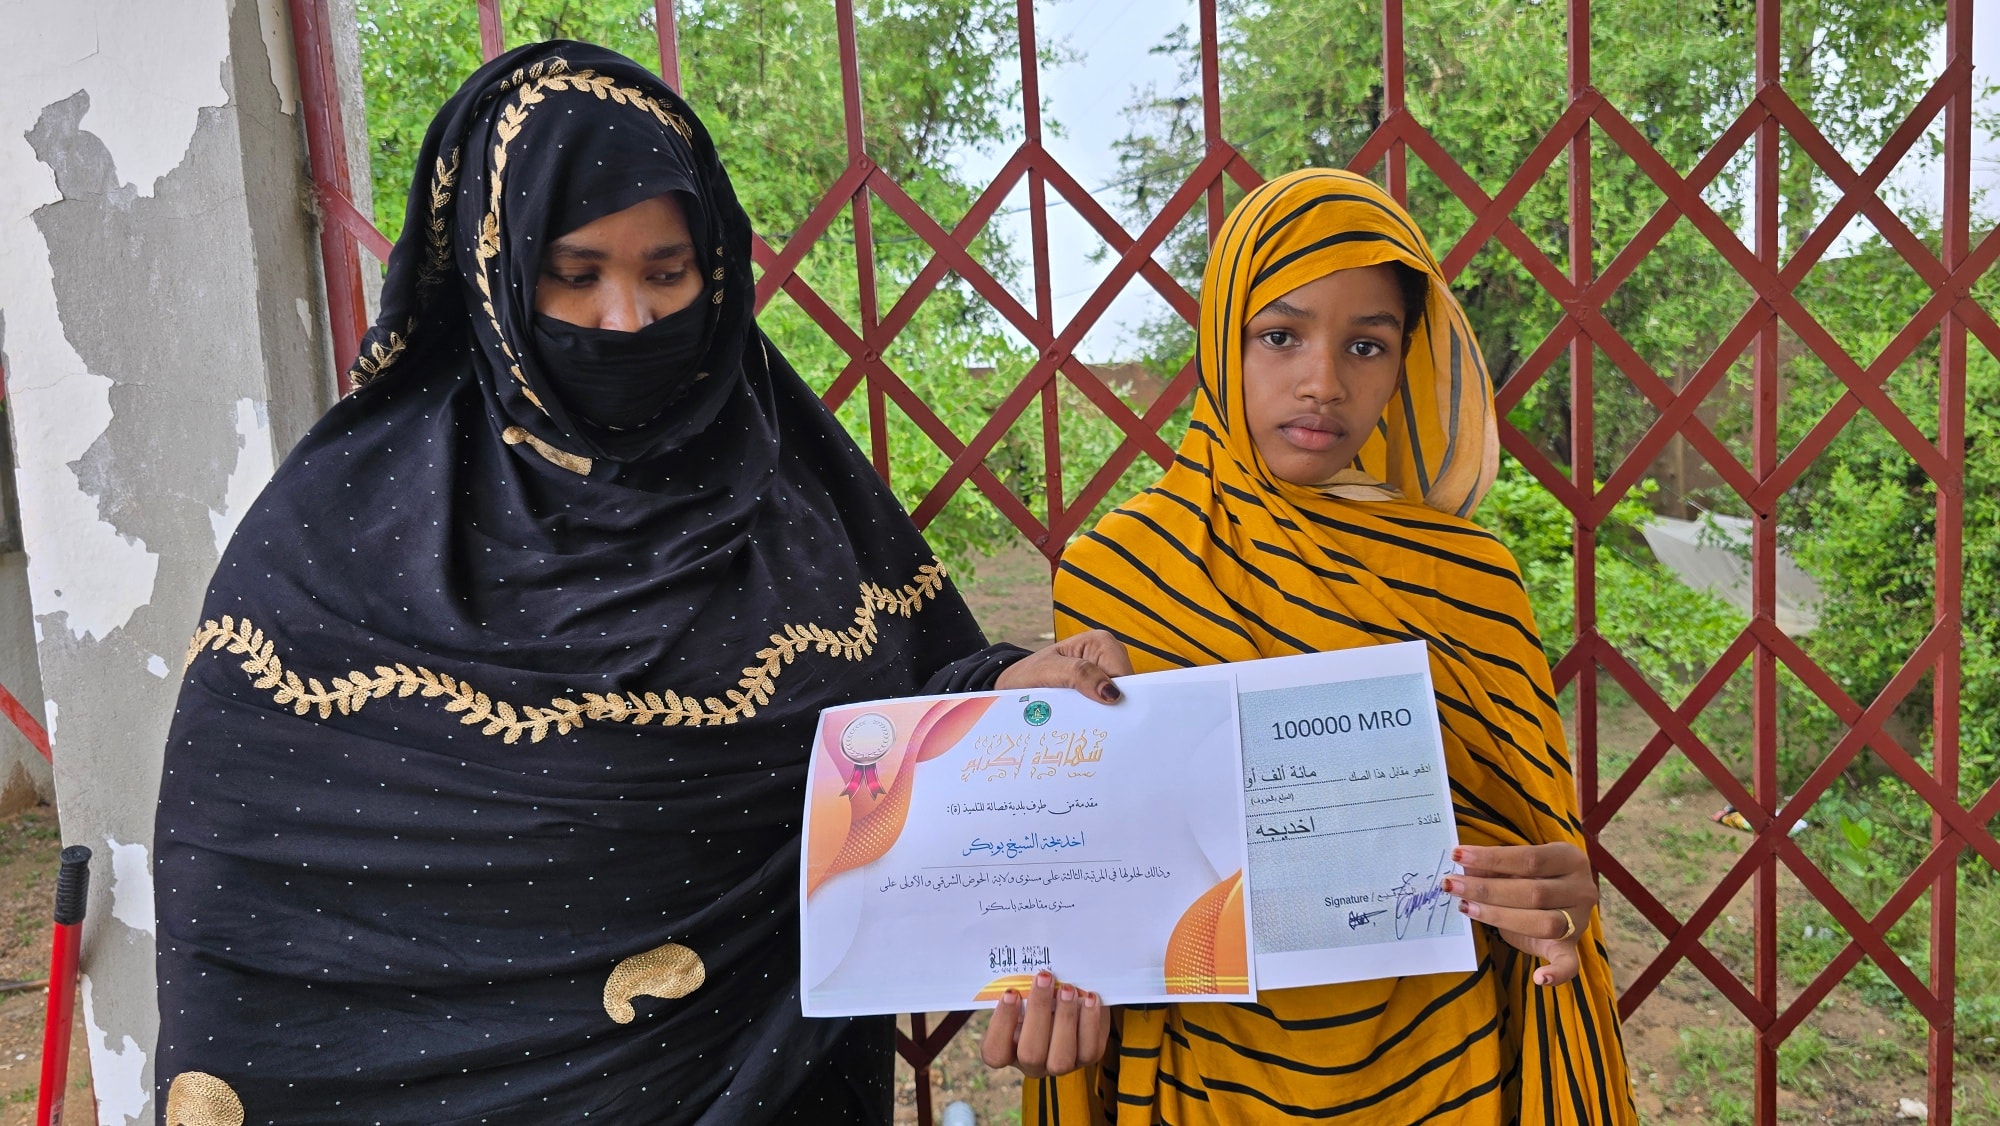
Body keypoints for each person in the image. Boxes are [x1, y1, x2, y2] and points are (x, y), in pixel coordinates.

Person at [154, 40, 1127, 1125]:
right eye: (577, 276)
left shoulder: (795, 498)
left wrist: (1005, 699)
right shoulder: (335, 539)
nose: (629, 320)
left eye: (667, 273)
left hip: (775, 1093)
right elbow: (240, 900)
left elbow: (903, 727)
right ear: (493, 278)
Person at [981, 169, 1636, 1123]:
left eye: (1367, 345)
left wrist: (1560, 896)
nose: (1324, 382)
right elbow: (1098, 867)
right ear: (1222, 340)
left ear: (1405, 362)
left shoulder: (1469, 579)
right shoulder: (1120, 571)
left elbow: (1541, 858)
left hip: (1442, 1067)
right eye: (1280, 336)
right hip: (1200, 1078)